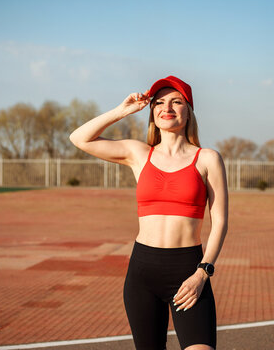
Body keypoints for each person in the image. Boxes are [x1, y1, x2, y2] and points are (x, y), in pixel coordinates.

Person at [69, 75, 228, 350]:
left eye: (177, 101)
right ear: (152, 112)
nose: (167, 107)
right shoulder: (139, 154)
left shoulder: (207, 158)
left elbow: (221, 221)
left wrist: (202, 273)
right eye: (160, 102)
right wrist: (123, 111)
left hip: (188, 269)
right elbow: (79, 138)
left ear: (189, 112)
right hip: (143, 272)